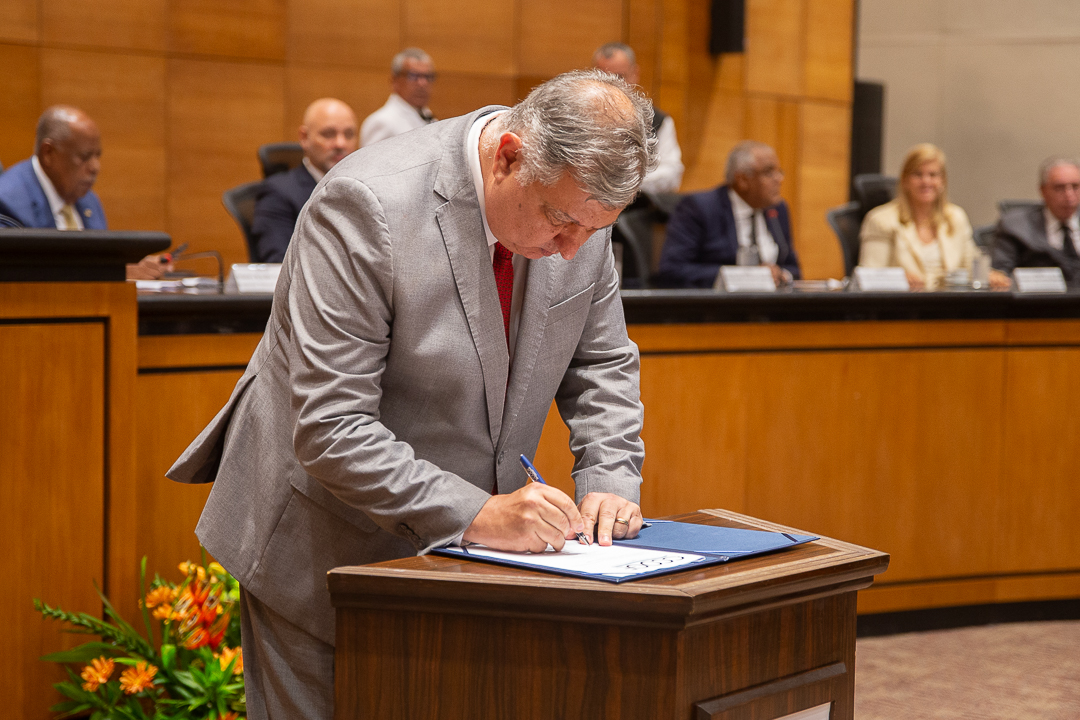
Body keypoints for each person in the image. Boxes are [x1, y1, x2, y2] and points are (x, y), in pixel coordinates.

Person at [167, 70, 657, 719]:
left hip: (463, 563)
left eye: (595, 231)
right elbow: (332, 428)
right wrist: (480, 515)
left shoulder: (577, 222)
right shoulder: (367, 205)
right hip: (324, 549)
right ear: (508, 156)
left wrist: (610, 480)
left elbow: (602, 362)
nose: (572, 251)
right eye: (561, 221)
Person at [0, 105, 171, 280]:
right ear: (48, 153)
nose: (95, 167)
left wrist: (129, 265)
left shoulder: (89, 201)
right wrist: (115, 273)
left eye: (98, 156)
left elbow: (101, 262)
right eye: (84, 156)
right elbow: (19, 279)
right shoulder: (7, 201)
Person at [860, 143, 1009, 290]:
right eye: (918, 174)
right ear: (905, 180)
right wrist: (898, 278)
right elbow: (869, 275)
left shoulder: (955, 217)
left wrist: (990, 275)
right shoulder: (880, 220)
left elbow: (970, 265)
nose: (926, 181)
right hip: (902, 308)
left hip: (950, 306)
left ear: (942, 180)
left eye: (933, 175)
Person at [656, 140, 800, 287]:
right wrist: (745, 277)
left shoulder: (777, 210)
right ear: (742, 180)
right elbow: (673, 270)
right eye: (768, 173)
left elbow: (794, 269)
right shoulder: (700, 208)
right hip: (718, 306)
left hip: (772, 306)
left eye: (779, 172)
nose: (779, 179)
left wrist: (781, 275)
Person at [250, 98, 358, 263]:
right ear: (304, 137)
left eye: (349, 134)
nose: (340, 143)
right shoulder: (278, 193)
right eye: (328, 134)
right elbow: (280, 264)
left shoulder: (365, 189)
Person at [593, 42, 683, 195]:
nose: (612, 85)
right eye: (604, 77)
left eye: (619, 77)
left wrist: (622, 182)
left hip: (635, 206)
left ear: (635, 74)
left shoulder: (658, 121)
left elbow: (672, 173)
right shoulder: (578, 117)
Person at [993, 157, 1080, 287]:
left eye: (1075, 187)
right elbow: (1000, 274)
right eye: (1059, 188)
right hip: (1037, 303)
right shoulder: (1015, 226)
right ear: (1043, 191)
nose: (1069, 195)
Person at [360, 48, 437, 147]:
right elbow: (370, 162)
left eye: (427, 77)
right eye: (413, 76)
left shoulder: (428, 116)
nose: (422, 83)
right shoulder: (382, 122)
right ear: (395, 81)